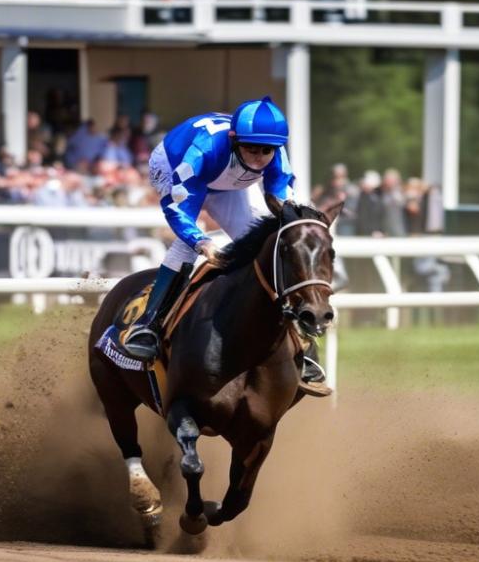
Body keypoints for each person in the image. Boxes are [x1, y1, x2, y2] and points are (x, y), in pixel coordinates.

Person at [120, 96, 331, 396]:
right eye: (252, 149)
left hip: (227, 180)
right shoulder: (200, 153)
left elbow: (281, 199)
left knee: (260, 243)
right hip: (175, 166)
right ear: (234, 139)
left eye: (266, 152)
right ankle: (148, 325)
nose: (259, 158)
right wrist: (201, 241)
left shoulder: (274, 151)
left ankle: (300, 343)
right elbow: (179, 209)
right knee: (186, 247)